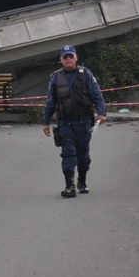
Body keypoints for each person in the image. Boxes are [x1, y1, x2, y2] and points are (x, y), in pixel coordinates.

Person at [42, 44, 107, 198]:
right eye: (65, 57)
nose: (69, 59)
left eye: (71, 56)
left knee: (83, 156)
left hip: (83, 122)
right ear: (61, 60)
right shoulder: (56, 77)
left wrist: (102, 113)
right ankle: (69, 186)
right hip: (66, 124)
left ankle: (82, 181)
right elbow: (50, 102)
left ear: (76, 57)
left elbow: (97, 95)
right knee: (68, 154)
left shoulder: (86, 74)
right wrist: (46, 122)